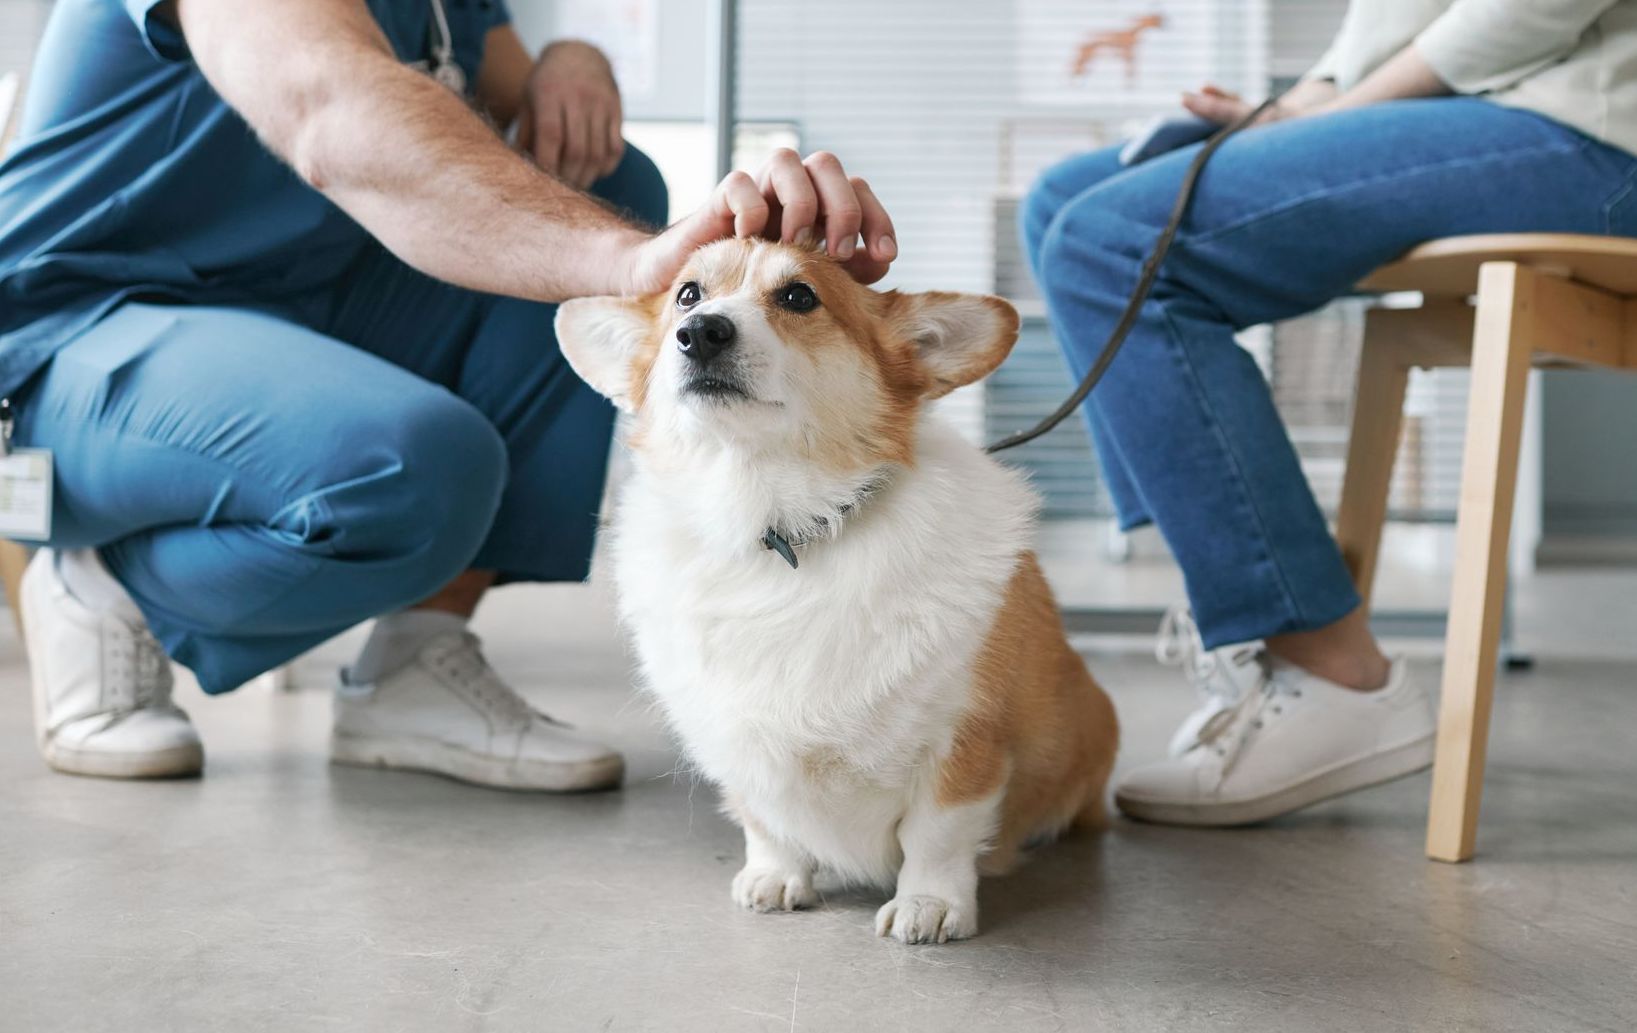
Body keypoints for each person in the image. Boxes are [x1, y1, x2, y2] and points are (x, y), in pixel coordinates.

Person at [0, 0, 897, 788]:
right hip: (86, 328)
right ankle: (102, 582)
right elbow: (331, 108)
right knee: (414, 467)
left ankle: (415, 656)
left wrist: (571, 61)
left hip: (306, 311)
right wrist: (635, 263)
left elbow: (510, 87)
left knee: (605, 180)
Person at [1022, 0, 1637, 825]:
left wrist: (1341, 112)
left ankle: (1330, 670)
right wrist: (1303, 102)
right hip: (1497, 108)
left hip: (1598, 130)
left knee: (1108, 243)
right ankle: (1241, 613)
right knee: (1062, 197)